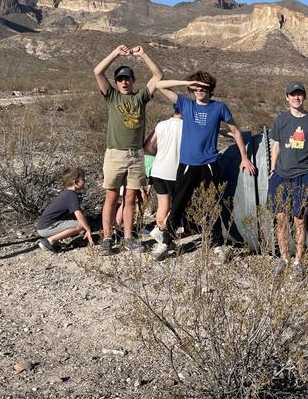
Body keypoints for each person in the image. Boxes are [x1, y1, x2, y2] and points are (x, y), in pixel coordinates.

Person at [151, 71, 256, 260]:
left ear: (210, 89)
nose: (199, 90)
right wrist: (187, 82)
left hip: (209, 164)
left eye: (203, 87)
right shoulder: (186, 104)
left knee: (213, 205)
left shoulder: (219, 108)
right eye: (196, 87)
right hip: (187, 165)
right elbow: (159, 85)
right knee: (178, 204)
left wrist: (244, 157)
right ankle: (166, 242)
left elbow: (236, 131)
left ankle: (217, 245)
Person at [93, 45, 163, 255]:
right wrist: (115, 53)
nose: (124, 82)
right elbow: (98, 71)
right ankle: (107, 238)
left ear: (133, 81)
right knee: (111, 196)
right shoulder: (112, 96)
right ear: (116, 82)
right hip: (115, 153)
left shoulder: (140, 97)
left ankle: (128, 237)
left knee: (130, 198)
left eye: (127, 79)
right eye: (120, 79)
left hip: (136, 155)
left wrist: (142, 55)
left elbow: (158, 75)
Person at [267, 82, 308, 268]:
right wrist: (272, 170)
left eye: (299, 94)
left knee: (299, 220)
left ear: (304, 96)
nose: (296, 98)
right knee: (281, 219)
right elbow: (276, 146)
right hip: (280, 175)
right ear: (287, 97)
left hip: (302, 176)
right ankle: (283, 259)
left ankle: (298, 262)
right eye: (292, 94)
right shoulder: (281, 120)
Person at [143, 106, 183, 239]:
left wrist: (159, 154)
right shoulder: (187, 127)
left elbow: (147, 146)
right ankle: (161, 230)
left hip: (158, 170)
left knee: (162, 205)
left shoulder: (161, 125)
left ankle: (159, 233)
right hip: (174, 171)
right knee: (179, 204)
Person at [37, 167, 94, 252]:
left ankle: (55, 240)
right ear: (76, 182)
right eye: (83, 179)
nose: (85, 181)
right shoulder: (72, 195)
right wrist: (87, 229)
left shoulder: (65, 193)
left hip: (42, 226)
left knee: (82, 222)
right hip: (47, 228)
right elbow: (78, 214)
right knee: (81, 224)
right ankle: (49, 241)